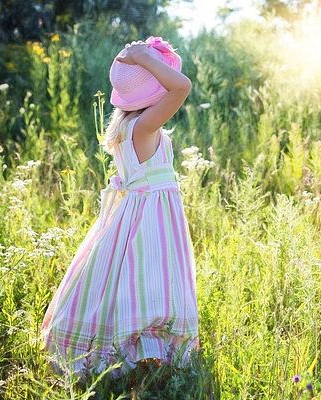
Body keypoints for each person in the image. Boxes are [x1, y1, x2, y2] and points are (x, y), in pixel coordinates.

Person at [39, 36, 200, 381]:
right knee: (151, 281)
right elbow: (182, 87)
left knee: (119, 280)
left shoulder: (126, 126)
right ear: (155, 89)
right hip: (151, 219)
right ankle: (147, 351)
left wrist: (142, 60)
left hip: (132, 214)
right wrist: (143, 56)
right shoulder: (145, 126)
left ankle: (136, 349)